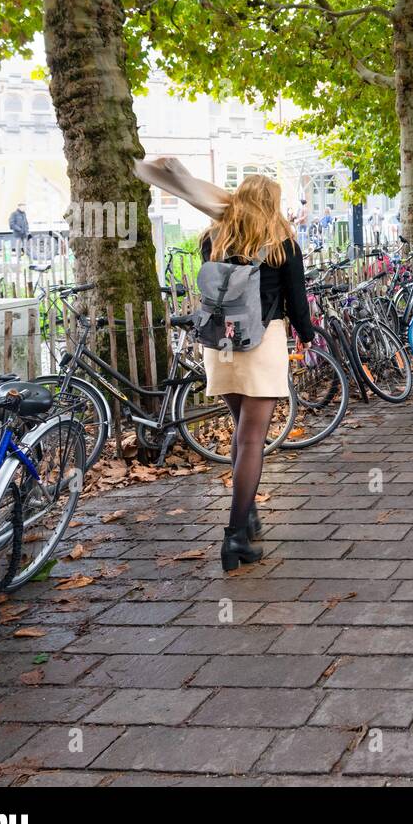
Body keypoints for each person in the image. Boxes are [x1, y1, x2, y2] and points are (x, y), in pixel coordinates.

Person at [134, 157, 316, 573]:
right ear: (271, 203)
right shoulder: (282, 245)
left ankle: (247, 514)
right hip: (260, 341)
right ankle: (235, 536)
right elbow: (297, 301)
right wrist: (307, 337)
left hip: (220, 345)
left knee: (240, 433)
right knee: (252, 439)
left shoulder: (211, 239)